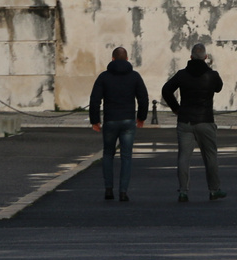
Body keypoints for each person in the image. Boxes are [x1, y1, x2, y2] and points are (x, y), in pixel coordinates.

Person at [161, 42, 226, 202]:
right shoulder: (212, 75)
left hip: (185, 120)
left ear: (190, 57)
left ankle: (183, 191)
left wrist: (176, 108)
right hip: (205, 119)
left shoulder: (182, 75)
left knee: (184, 157)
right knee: (210, 156)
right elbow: (218, 88)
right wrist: (208, 67)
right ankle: (213, 189)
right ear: (205, 57)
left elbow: (166, 90)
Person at [89, 46, 148, 202]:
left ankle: (109, 189)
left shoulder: (104, 77)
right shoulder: (135, 76)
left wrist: (95, 120)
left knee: (108, 154)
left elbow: (95, 100)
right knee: (126, 157)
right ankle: (123, 192)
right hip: (128, 120)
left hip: (110, 119)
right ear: (127, 59)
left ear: (112, 59)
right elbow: (143, 98)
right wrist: (141, 118)